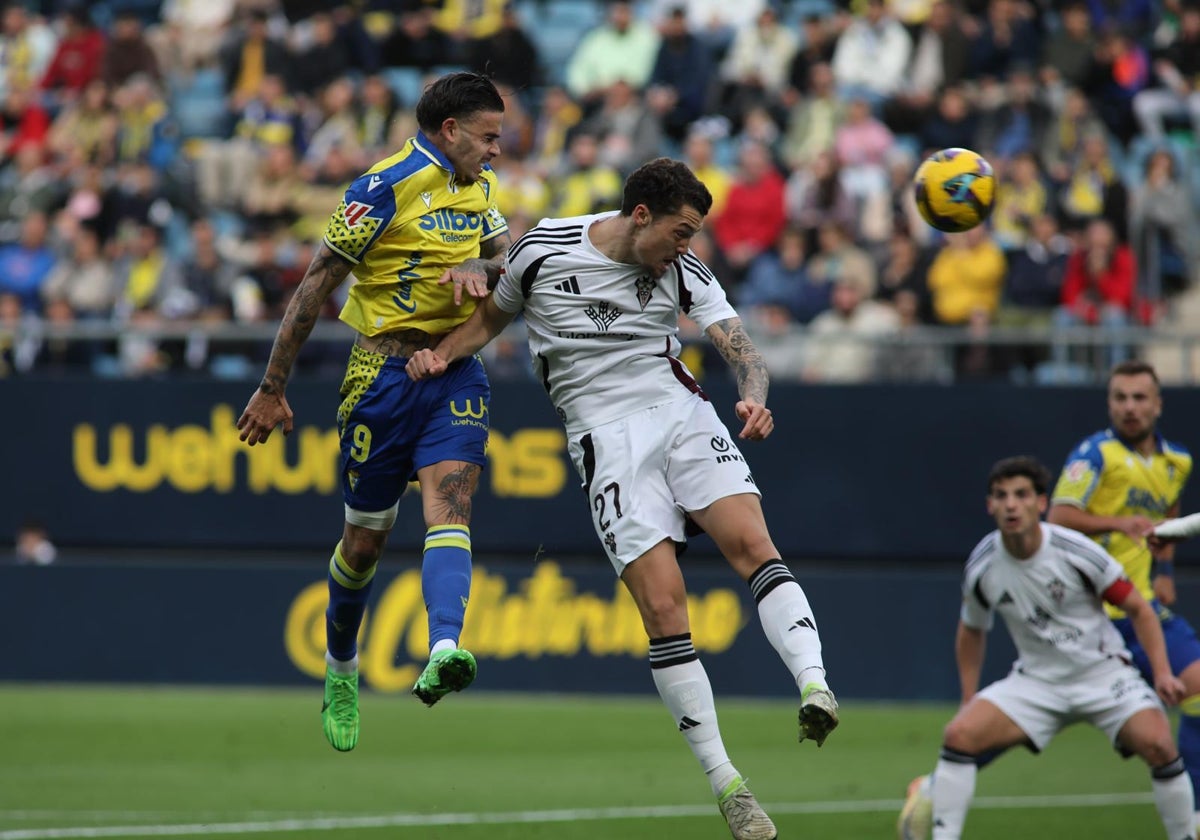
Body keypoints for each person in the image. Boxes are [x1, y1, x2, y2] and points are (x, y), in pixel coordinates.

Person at [405, 158, 838, 840]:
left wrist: (754, 396)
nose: (687, 246)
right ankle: (730, 787)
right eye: (681, 231)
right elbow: (489, 322)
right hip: (605, 441)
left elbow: (743, 350)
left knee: (754, 545)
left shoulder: (683, 272)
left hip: (681, 414)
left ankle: (815, 685)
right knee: (665, 608)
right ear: (642, 216)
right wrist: (439, 354)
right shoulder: (543, 251)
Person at [236, 72, 511, 753]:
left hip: (453, 371)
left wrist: (484, 275)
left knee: (452, 506)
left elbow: (509, 264)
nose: (496, 151)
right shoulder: (380, 188)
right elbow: (316, 284)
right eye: (488, 137)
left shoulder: (480, 189)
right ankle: (340, 668)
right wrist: (273, 387)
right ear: (450, 131)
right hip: (380, 377)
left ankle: (445, 646)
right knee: (364, 544)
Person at [901, 456, 1194, 840]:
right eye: (1001, 496)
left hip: (1103, 675)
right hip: (1038, 682)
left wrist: (1161, 672)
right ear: (989, 506)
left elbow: (1138, 607)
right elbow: (971, 629)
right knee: (959, 735)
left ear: (1041, 503)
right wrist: (969, 696)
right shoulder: (983, 564)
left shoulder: (1076, 551)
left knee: (1159, 744)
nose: (1011, 505)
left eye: (1021, 495)